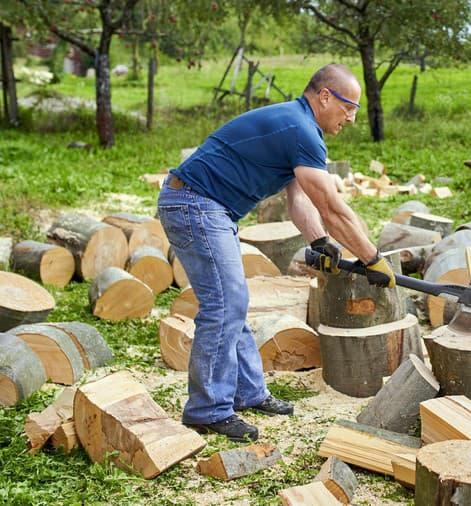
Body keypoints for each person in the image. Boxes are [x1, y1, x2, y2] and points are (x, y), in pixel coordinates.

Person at [157, 63, 395, 442]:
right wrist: (372, 258)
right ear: (325, 96)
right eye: (349, 107)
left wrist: (320, 243)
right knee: (224, 303)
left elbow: (299, 199)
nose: (351, 117)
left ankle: (247, 393)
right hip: (194, 202)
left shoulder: (297, 126)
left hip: (205, 205)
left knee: (231, 301)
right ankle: (207, 410)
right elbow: (333, 209)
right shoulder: (301, 130)